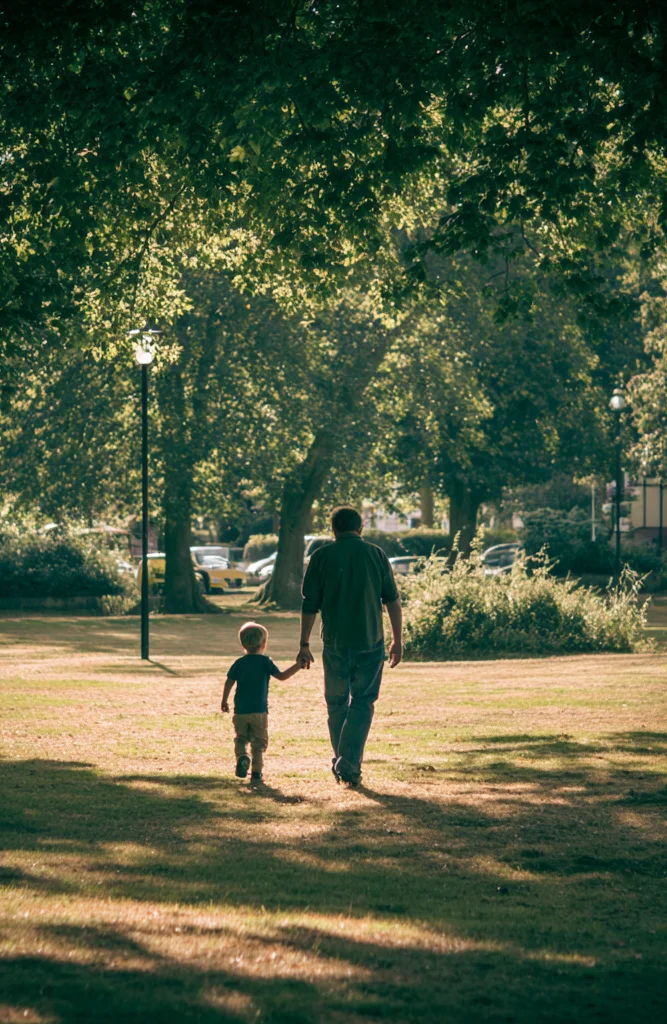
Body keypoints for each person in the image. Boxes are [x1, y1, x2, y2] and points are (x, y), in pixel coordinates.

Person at [298, 505, 403, 787]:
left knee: (336, 703)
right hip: (370, 640)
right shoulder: (376, 554)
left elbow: (309, 605)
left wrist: (304, 643)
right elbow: (391, 599)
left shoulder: (321, 557)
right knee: (363, 701)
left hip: (334, 642)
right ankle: (348, 763)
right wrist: (398, 639)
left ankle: (346, 763)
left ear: (333, 529)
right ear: (361, 528)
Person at [221, 620, 301, 783]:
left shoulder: (239, 663)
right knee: (258, 744)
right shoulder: (265, 662)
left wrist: (224, 700)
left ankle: (242, 756)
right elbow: (282, 676)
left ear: (242, 644)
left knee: (241, 738)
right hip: (259, 711)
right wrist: (298, 665)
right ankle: (256, 773)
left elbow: (229, 681)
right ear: (263, 643)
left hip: (240, 711)